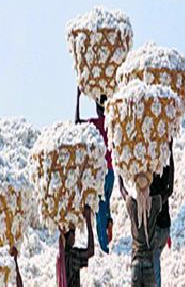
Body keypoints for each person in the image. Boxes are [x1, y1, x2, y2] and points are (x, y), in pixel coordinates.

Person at [75, 86, 114, 253]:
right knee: (105, 203)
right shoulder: (112, 122)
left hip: (101, 172)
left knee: (99, 208)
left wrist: (77, 98)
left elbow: (77, 122)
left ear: (98, 109)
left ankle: (104, 247)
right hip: (112, 172)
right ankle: (109, 222)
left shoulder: (96, 124)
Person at [119, 171, 173, 287]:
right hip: (149, 262)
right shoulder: (153, 205)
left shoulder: (132, 205)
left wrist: (120, 173)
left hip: (135, 263)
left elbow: (122, 190)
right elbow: (169, 190)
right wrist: (171, 159)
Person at [150, 140, 174, 287]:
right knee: (154, 261)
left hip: (157, 230)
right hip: (166, 228)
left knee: (154, 263)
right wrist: (171, 152)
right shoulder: (164, 171)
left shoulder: (149, 179)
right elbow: (170, 188)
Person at [63, 204, 95, 287]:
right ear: (69, 236)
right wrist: (88, 221)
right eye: (73, 233)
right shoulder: (72, 255)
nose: (74, 236)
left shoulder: (61, 255)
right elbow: (90, 251)